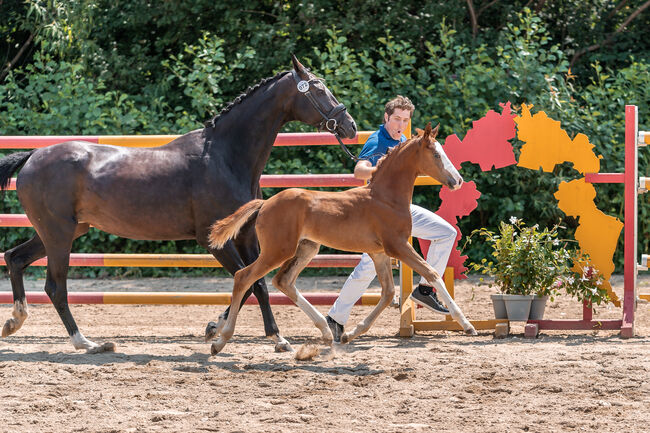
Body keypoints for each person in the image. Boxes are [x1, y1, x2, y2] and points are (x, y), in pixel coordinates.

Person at [326, 95, 458, 342]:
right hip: (377, 219)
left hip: (402, 212)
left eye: (405, 120)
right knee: (367, 268)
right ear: (386, 117)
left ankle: (425, 290)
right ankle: (335, 318)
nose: (400, 124)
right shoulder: (378, 141)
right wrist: (378, 168)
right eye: (396, 118)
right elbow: (358, 170)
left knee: (446, 232)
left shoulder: (406, 141)